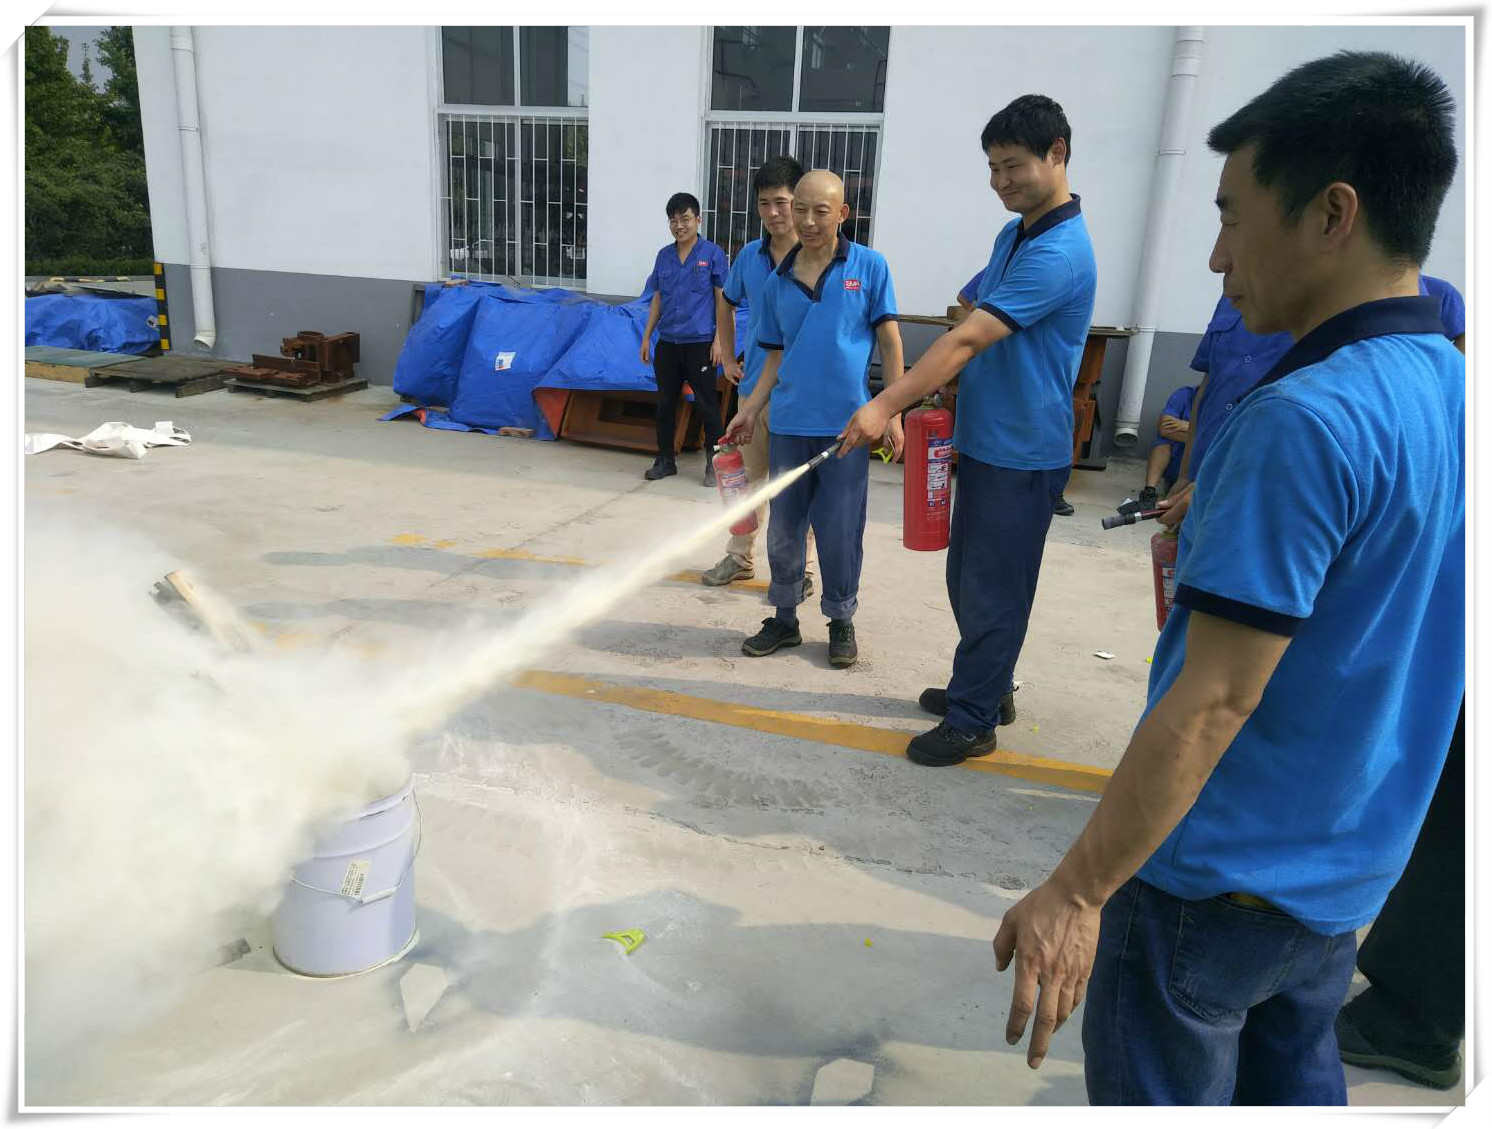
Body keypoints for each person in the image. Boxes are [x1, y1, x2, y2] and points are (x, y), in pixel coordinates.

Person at [983, 51, 1463, 1105]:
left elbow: (1212, 701)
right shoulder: (1451, 384)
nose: (1214, 255)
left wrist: (1077, 890)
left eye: (1233, 218)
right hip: (1343, 877)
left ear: (1332, 214)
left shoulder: (1302, 419)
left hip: (1212, 887)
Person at [840, 94, 1096, 764]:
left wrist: (884, 404)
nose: (1000, 181)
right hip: (985, 440)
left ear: (1057, 153)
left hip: (1023, 451)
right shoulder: (1016, 236)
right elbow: (971, 310)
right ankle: (987, 687)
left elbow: (966, 337)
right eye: (992, 167)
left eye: (1013, 166)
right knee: (968, 580)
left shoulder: (1061, 253)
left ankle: (975, 718)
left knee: (994, 587)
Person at [724, 170, 904, 669]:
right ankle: (784, 618)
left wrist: (891, 410)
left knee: (840, 529)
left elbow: (890, 342)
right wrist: (749, 410)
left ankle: (841, 620)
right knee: (784, 527)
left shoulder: (869, 267)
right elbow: (774, 357)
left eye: (820, 211)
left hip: (848, 428)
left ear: (842, 213)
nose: (806, 220)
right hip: (788, 423)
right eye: (799, 209)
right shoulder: (776, 281)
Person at [1156, 270, 1464, 530]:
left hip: (1258, 489)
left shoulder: (1391, 308)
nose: (1218, 259)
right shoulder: (1233, 295)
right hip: (1203, 479)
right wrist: (1186, 473)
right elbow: (1209, 386)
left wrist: (1235, 484)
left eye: (1234, 224)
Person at [700, 155, 816, 594]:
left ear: (798, 201)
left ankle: (802, 569)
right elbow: (726, 303)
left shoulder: (818, 256)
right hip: (754, 393)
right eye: (764, 203)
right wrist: (729, 358)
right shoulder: (750, 256)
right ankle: (739, 557)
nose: (773, 213)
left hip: (802, 395)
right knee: (744, 481)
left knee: (796, 487)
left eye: (781, 202)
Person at [957, 265, 1076, 517]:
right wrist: (985, 319)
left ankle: (1053, 491)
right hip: (987, 422)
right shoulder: (998, 268)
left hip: (1029, 434)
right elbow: (964, 297)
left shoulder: (1051, 266)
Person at [639, 192, 730, 486]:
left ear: (698, 220)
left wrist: (719, 341)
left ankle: (714, 464)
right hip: (668, 343)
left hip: (700, 343)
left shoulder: (712, 254)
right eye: (674, 221)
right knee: (665, 403)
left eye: (685, 219)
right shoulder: (663, 256)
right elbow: (657, 298)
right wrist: (647, 336)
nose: (679, 226)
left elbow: (722, 300)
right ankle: (665, 459)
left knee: (707, 404)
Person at [1135, 384, 1195, 511]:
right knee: (1164, 440)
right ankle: (1149, 493)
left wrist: (1187, 426)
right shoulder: (1186, 394)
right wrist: (1200, 433)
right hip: (1176, 467)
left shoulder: (1228, 403)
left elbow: (1219, 438)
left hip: (1199, 475)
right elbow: (1164, 428)